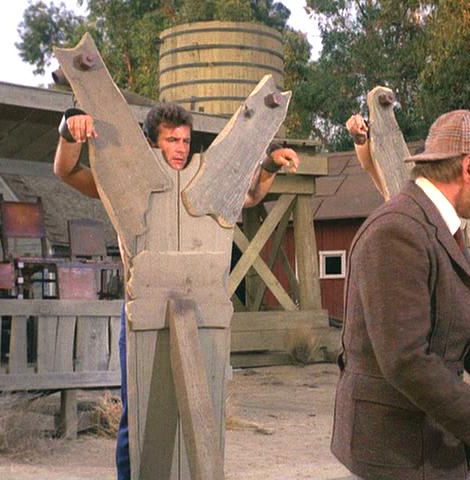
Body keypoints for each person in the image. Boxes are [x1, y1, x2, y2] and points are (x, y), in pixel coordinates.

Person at [53, 103, 299, 480]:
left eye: (185, 140)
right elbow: (67, 171)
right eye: (172, 140)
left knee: (199, 412)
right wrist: (70, 130)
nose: (181, 147)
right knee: (139, 416)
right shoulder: (130, 181)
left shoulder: (202, 183)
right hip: (144, 311)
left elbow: (249, 196)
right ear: (153, 143)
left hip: (196, 309)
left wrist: (269, 164)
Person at [331, 110, 470, 480]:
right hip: (397, 451)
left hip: (431, 439)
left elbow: (469, 328)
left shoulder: (441, 224)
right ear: (468, 168)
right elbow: (406, 360)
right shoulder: (397, 231)